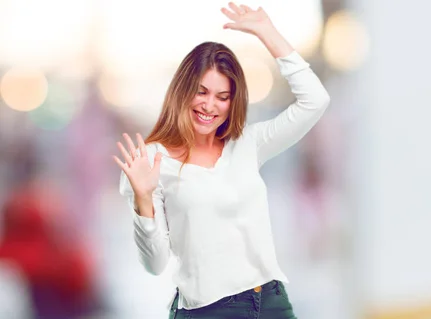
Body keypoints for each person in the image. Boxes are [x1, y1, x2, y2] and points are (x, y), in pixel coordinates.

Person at [113, 3, 330, 318]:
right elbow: (154, 264)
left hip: (270, 301)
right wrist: (143, 199)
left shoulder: (247, 145)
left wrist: (268, 33)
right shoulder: (151, 161)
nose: (209, 105)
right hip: (208, 310)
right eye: (201, 92)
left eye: (222, 96)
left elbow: (315, 101)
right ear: (182, 91)